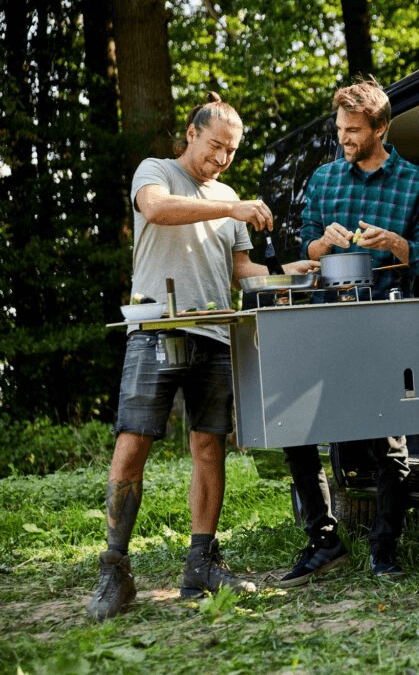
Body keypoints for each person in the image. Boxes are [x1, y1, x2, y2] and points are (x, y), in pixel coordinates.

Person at [87, 92, 317, 621]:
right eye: (216, 145)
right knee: (132, 443)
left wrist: (290, 273)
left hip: (216, 331)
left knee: (209, 447)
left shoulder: (228, 195)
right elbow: (156, 210)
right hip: (155, 327)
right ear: (192, 133)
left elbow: (241, 268)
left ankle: (202, 565)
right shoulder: (158, 172)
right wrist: (230, 205)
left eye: (231, 151)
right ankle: (115, 569)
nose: (222, 159)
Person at [277, 78, 419, 586]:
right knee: (298, 427)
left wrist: (396, 242)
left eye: (353, 130)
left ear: (381, 129)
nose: (344, 138)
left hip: (384, 319)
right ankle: (324, 542)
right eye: (340, 129)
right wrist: (319, 247)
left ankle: (384, 548)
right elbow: (302, 250)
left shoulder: (415, 184)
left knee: (388, 438)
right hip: (326, 318)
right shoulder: (325, 180)